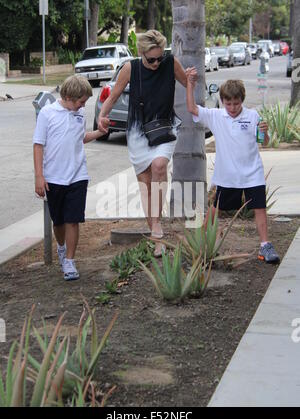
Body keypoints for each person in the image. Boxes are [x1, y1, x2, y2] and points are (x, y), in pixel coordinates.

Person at [98, 30, 194, 257]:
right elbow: (112, 97)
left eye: (160, 58)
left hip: (164, 127)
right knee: (146, 186)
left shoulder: (170, 63)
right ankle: (156, 237)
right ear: (141, 53)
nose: (156, 63)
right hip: (138, 132)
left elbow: (187, 83)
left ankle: (157, 225)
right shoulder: (131, 68)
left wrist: (191, 80)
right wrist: (102, 116)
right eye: (151, 59)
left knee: (160, 167)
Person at [185, 74, 280, 264]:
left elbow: (265, 142)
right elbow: (192, 108)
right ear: (223, 101)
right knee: (216, 208)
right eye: (228, 104)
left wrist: (265, 132)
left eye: (236, 104)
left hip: (253, 174)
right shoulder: (216, 116)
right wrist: (189, 84)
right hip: (227, 176)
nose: (232, 108)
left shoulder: (252, 116)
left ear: (241, 101)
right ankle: (200, 243)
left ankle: (265, 245)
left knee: (259, 208)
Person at [33, 75, 109, 280]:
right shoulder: (47, 114)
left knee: (73, 220)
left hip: (78, 175)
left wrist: (100, 132)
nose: (83, 105)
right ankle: (61, 246)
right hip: (54, 178)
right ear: (68, 96)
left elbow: (81, 137)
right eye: (81, 101)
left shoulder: (79, 113)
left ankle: (69, 261)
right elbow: (38, 145)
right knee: (58, 222)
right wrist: (39, 176)